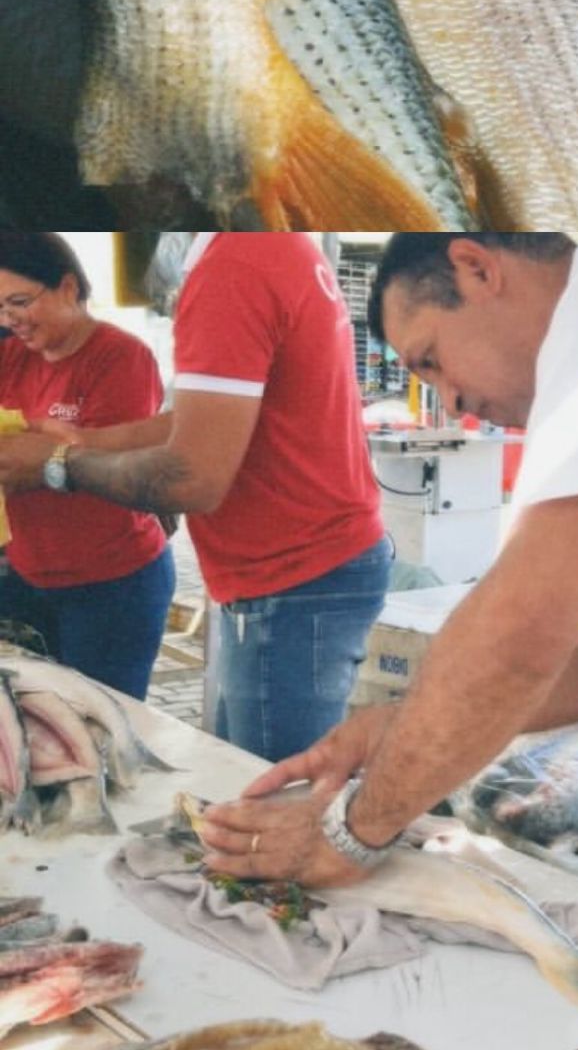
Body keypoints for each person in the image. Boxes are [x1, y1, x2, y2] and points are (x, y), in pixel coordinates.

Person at [189, 234, 578, 997]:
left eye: (432, 360)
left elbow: (521, 630)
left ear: (476, 268)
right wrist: (400, 725)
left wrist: (352, 830)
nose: (449, 402)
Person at [0, 233, 393, 760]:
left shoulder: (234, 266)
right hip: (282, 572)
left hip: (294, 570)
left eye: (20, 301)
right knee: (244, 777)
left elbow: (191, 478)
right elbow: (195, 423)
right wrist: (78, 444)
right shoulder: (271, 250)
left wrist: (55, 465)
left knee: (272, 792)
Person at [0, 234, 173, 699]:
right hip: (27, 576)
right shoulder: (12, 356)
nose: (9, 319)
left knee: (97, 725)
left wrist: (40, 447)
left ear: (68, 287)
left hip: (112, 585)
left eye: (19, 301)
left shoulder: (121, 356)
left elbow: (107, 465)